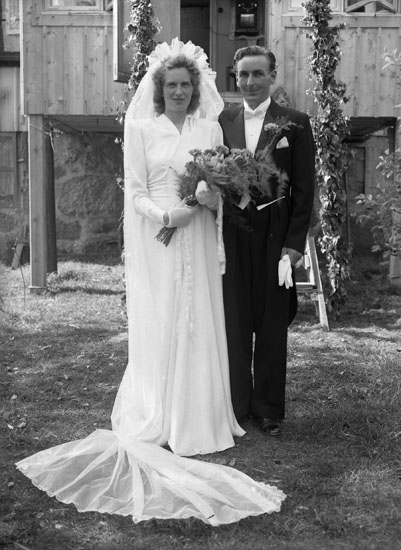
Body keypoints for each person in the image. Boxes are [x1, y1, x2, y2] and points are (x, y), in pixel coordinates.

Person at [16, 39, 285, 525]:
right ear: (160, 90)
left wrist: (209, 198)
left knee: (199, 316)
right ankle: (160, 411)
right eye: (172, 85)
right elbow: (135, 192)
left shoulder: (208, 127)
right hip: (160, 236)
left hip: (197, 235)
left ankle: (200, 416)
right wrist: (166, 215)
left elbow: (225, 187)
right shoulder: (140, 128)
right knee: (164, 317)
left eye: (186, 85)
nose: (179, 92)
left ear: (195, 88)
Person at [219, 46, 315, 436]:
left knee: (272, 321)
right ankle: (237, 405)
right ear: (236, 77)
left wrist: (294, 245)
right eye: (243, 74)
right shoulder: (222, 120)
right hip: (234, 230)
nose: (250, 82)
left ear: (272, 76)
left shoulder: (295, 123)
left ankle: (269, 408)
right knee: (235, 318)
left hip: (276, 231)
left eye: (258, 74)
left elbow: (305, 190)